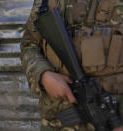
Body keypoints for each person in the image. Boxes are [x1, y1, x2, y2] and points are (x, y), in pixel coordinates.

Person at [21, 0, 123, 130]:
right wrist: (44, 74)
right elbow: (29, 45)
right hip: (58, 123)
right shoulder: (48, 2)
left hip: (114, 122)